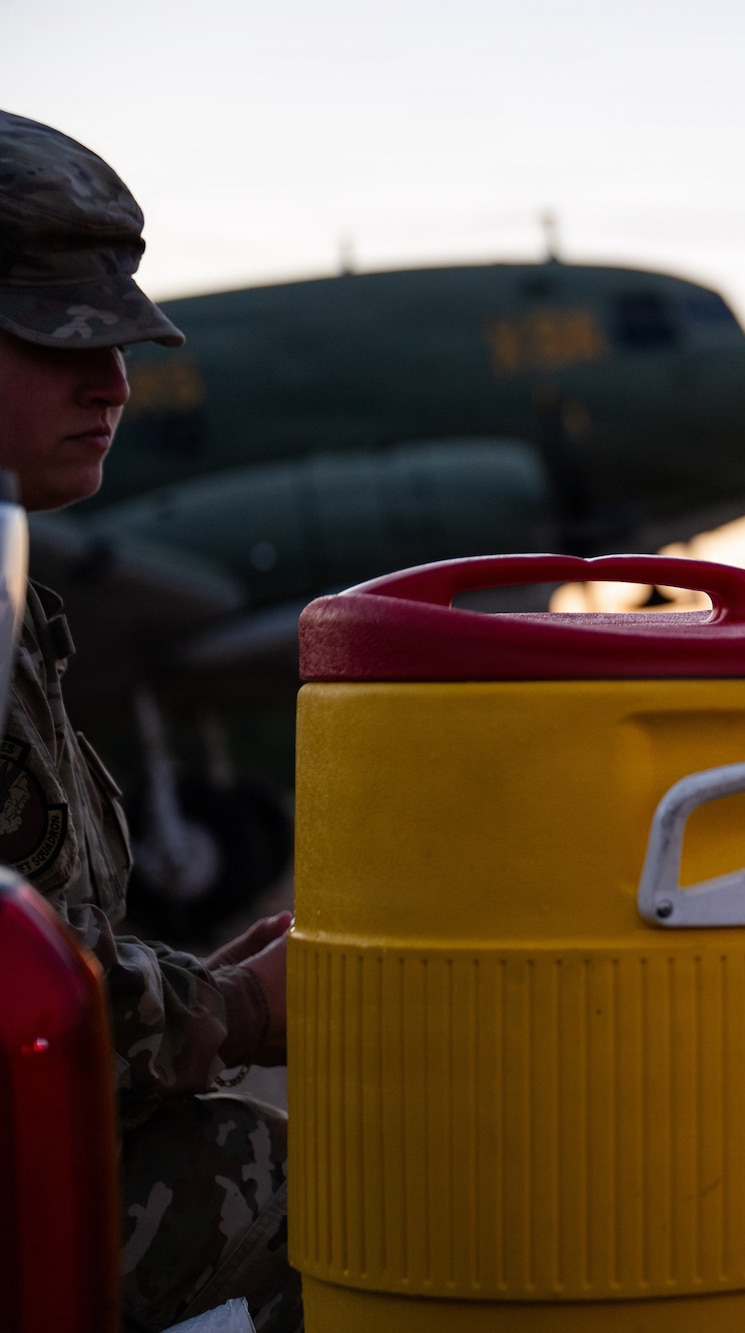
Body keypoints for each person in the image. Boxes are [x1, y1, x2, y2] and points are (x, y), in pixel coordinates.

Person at [0, 110, 300, 1331]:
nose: (115, 381)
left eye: (119, 337)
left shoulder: (13, 573)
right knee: (320, 1200)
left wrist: (195, 988)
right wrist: (233, 1013)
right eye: (54, 337)